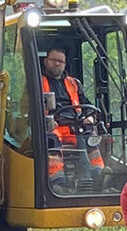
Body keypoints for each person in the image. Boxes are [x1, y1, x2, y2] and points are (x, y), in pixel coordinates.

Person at [41, 45, 103, 183]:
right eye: (53, 60)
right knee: (51, 139)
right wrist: (45, 119)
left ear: (64, 64)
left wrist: (90, 117)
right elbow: (27, 107)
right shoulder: (37, 82)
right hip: (53, 126)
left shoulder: (73, 83)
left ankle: (98, 173)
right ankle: (57, 179)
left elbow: (85, 103)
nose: (57, 63)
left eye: (60, 61)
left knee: (90, 136)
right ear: (46, 61)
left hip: (75, 127)